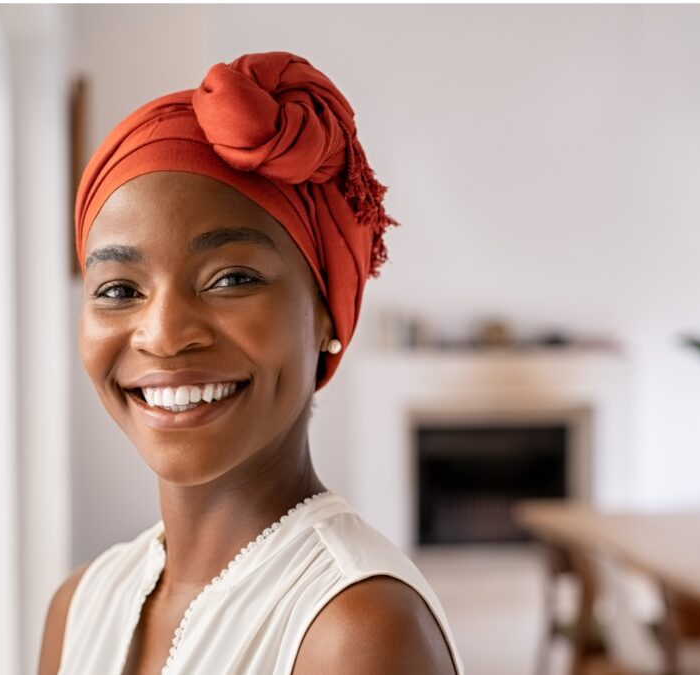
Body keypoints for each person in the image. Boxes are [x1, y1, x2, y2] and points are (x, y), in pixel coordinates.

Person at [37, 52, 463, 675]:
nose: (164, 335)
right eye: (119, 289)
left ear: (326, 315)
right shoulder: (78, 606)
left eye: (231, 278)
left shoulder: (357, 632)